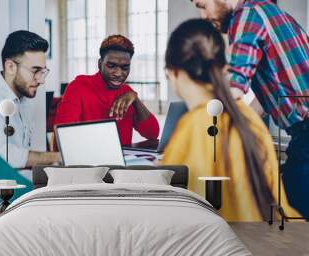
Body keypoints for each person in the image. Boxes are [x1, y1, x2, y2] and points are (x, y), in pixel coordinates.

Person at [161, 19, 300, 221]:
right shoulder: (248, 117)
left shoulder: (193, 128)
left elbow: (178, 217)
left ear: (172, 73)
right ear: (223, 67)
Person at [189, 0, 309, 217]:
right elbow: (268, 98)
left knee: (294, 215)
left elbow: (234, 86)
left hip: (306, 133)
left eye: (203, 4)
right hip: (303, 132)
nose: (203, 16)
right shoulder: (275, 14)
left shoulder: (246, 14)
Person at [0, 30, 60, 168]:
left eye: (43, 72)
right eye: (35, 71)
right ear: (10, 67)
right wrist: (56, 157)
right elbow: (3, 156)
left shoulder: (24, 102)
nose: (41, 80)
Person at [54, 35, 159, 146]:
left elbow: (153, 133)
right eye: (111, 66)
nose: (118, 73)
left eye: (125, 67)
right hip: (90, 160)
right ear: (100, 64)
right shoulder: (78, 87)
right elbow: (62, 138)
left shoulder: (127, 93)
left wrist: (135, 99)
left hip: (124, 161)